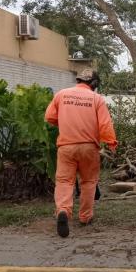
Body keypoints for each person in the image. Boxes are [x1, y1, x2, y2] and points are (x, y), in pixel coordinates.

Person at [44, 69, 117, 237]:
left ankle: (63, 210)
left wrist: (65, 123)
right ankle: (85, 216)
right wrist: (111, 143)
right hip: (89, 148)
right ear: (94, 84)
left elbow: (49, 117)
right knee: (89, 182)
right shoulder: (96, 99)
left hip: (66, 147)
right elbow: (105, 125)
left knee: (64, 181)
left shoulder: (62, 95)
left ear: (79, 80)